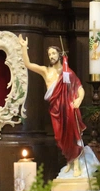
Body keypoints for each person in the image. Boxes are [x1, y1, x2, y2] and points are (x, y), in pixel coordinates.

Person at [20, 39, 87, 177]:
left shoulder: (67, 72)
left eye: (53, 53)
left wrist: (79, 99)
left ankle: (76, 164)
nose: (51, 56)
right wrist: (24, 48)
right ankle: (69, 161)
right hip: (55, 110)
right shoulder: (46, 71)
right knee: (61, 137)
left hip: (68, 108)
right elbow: (28, 64)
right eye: (49, 54)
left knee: (72, 134)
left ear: (59, 54)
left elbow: (80, 89)